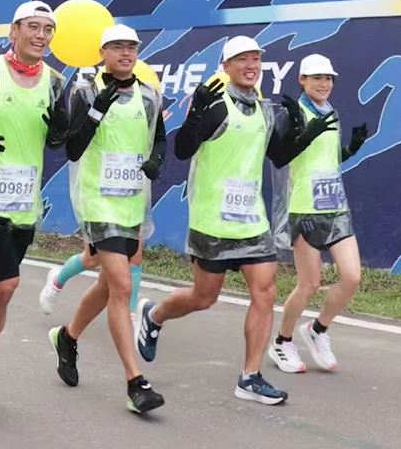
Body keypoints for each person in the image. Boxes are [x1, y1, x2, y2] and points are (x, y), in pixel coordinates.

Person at [134, 36, 338, 406]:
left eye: (256, 59)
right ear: (225, 67)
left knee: (265, 290)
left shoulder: (264, 109)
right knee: (203, 297)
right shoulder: (215, 105)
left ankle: (250, 376)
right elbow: (183, 150)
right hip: (212, 220)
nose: (251, 65)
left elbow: (279, 156)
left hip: (252, 222)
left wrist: (304, 135)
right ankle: (154, 314)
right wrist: (195, 116)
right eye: (241, 59)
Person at [48, 25, 166, 414]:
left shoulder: (148, 94)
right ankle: (136, 382)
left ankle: (68, 336)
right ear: (102, 52)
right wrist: (97, 109)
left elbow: (159, 138)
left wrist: (156, 161)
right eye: (117, 47)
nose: (126, 53)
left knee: (105, 283)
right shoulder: (85, 90)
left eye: (131, 47)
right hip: (98, 202)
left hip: (132, 204)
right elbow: (73, 149)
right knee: (119, 284)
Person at [0, 0, 68, 422]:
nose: (41, 36)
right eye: (33, 27)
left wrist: (64, 131)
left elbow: (58, 140)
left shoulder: (57, 82)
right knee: (5, 285)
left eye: (48, 29)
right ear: (13, 31)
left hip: (23, 206)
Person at [268, 53, 369, 375]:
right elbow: (282, 156)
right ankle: (282, 342)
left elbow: (327, 158)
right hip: (305, 209)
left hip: (336, 207)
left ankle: (317, 330)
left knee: (352, 277)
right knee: (309, 284)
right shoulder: (292, 111)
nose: (324, 84)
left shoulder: (331, 111)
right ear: (302, 80)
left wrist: (350, 149)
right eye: (317, 78)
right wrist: (305, 134)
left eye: (328, 79)